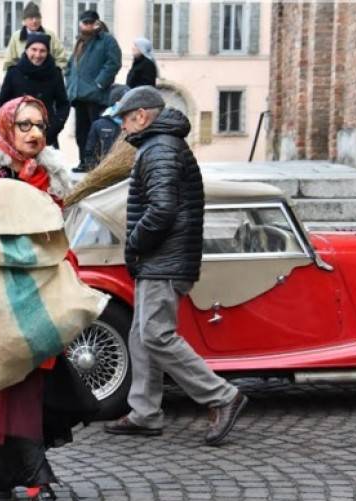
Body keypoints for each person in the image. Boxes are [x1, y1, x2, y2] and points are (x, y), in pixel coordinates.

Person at [0, 96, 101, 501]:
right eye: (24, 125)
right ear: (7, 128)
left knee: (21, 386)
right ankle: (34, 480)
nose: (34, 133)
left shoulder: (50, 179)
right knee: (7, 384)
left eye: (40, 126)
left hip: (41, 298)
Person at [104, 86, 248, 445]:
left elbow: (163, 209)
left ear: (141, 116)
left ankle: (222, 396)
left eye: (124, 118)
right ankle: (145, 413)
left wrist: (135, 243)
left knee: (155, 334)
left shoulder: (160, 148)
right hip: (163, 258)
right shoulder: (160, 145)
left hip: (163, 260)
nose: (122, 127)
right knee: (142, 335)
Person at [65, 9, 121, 170]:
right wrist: (70, 83)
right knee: (81, 132)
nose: (88, 25)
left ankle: (98, 164)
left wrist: (99, 84)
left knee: (98, 132)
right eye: (85, 22)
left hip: (97, 96)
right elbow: (70, 66)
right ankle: (84, 162)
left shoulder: (107, 40)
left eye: (91, 22)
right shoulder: (80, 42)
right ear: (80, 23)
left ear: (97, 23)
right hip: (79, 95)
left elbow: (113, 63)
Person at [0, 33, 69, 148]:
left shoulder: (55, 74)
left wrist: (53, 129)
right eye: (33, 50)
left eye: (42, 51)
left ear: (47, 52)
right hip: (18, 135)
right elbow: (1, 105)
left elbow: (64, 105)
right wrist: (11, 128)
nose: (37, 54)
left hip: (45, 135)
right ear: (26, 50)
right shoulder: (14, 73)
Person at [3, 1, 67, 71]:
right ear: (24, 21)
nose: (34, 21)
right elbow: (9, 63)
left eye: (37, 17)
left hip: (46, 78)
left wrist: (55, 74)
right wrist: (13, 78)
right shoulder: (16, 37)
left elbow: (61, 59)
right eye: (31, 18)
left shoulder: (50, 35)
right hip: (22, 79)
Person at [82, 84, 129, 171]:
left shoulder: (136, 124)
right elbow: (90, 152)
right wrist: (95, 172)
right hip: (105, 174)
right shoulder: (99, 125)